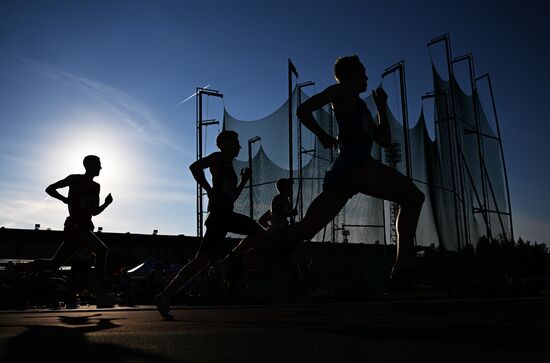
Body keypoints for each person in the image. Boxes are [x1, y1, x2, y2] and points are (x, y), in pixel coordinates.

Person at [268, 55, 425, 283]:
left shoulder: (361, 107)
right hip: (355, 166)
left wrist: (381, 107)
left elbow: (385, 139)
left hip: (346, 173)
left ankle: (249, 254)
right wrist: (322, 135)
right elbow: (303, 110)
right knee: (412, 197)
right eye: (362, 72)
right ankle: (404, 269)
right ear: (348, 74)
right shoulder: (340, 91)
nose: (367, 77)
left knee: (307, 229)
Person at [154, 130, 267, 320]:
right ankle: (235, 260)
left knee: (201, 261)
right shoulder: (218, 158)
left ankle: (164, 296)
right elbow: (194, 167)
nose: (239, 146)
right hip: (220, 215)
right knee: (259, 233)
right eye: (236, 142)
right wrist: (208, 190)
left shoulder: (230, 167)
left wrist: (244, 181)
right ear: (224, 144)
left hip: (225, 214)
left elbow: (232, 197)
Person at [15, 155, 116, 308]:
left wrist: (106, 204)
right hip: (75, 226)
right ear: (89, 165)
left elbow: (94, 212)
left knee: (55, 263)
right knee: (102, 250)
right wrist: (64, 199)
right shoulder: (74, 179)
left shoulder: (96, 187)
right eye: (98, 165)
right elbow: (50, 188)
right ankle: (101, 293)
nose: (101, 168)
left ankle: (15, 268)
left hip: (83, 227)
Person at [258, 178, 307, 290]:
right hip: (279, 236)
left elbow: (265, 219)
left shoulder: (283, 200)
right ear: (283, 188)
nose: (291, 190)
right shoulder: (279, 199)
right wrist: (290, 214)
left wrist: (271, 229)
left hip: (279, 234)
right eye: (289, 187)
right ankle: (305, 289)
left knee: (289, 264)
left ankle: (303, 289)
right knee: (296, 261)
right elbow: (279, 214)